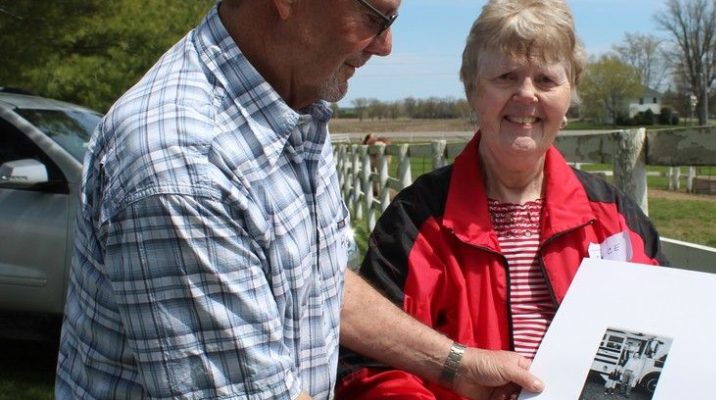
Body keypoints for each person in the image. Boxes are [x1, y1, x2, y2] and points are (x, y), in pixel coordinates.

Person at [55, 1, 543, 399]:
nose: (386, 45)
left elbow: (318, 284)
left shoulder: (292, 109)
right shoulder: (185, 163)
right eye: (376, 16)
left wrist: (454, 365)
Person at [336, 0, 716, 398]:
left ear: (570, 95)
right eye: (505, 77)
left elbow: (657, 337)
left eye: (546, 80)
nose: (526, 95)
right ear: (472, 90)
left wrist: (705, 344)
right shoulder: (415, 222)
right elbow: (370, 365)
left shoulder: (613, 216)